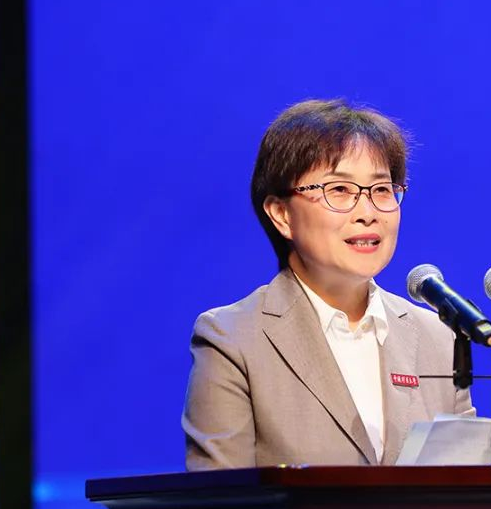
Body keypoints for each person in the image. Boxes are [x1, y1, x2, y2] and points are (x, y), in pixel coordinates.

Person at [182, 99, 475, 469]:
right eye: (339, 190)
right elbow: (222, 498)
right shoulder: (233, 339)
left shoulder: (439, 338)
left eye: (382, 190)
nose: (367, 212)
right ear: (281, 214)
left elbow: (467, 485)